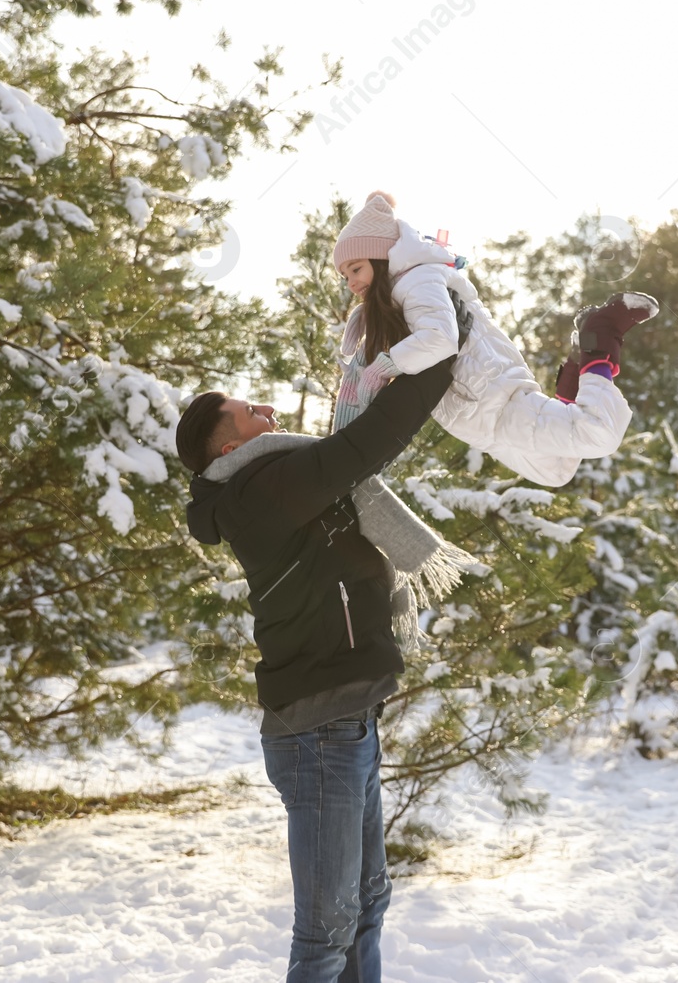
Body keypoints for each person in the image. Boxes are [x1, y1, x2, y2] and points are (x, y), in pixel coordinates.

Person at [176, 294, 475, 983]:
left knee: (367, 903)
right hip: (317, 734)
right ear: (230, 444)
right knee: (325, 932)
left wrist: (397, 331)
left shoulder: (274, 482)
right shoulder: (261, 494)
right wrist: (443, 342)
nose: (270, 413)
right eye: (252, 411)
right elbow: (369, 443)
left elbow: (358, 426)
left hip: (346, 722)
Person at [330, 190, 660, 485]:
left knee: (599, 433)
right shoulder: (397, 296)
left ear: (381, 256)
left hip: (494, 400)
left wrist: (386, 365)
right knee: (557, 471)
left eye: (356, 269)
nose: (351, 283)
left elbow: (440, 338)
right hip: (478, 418)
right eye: (345, 276)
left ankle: (600, 336)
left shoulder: (415, 282)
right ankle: (577, 359)